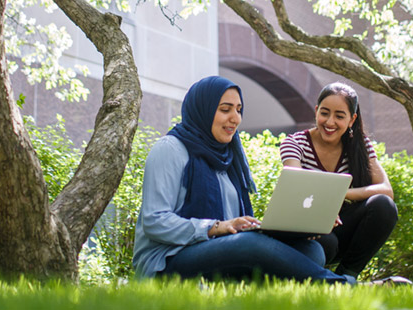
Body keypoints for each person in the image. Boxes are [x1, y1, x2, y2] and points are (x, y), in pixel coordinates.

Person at [132, 76, 356, 285]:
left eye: (238, 110)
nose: (235, 118)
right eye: (225, 110)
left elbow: (232, 226)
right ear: (203, 109)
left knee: (312, 251)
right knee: (248, 245)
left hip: (216, 249)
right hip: (167, 259)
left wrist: (292, 228)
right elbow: (155, 221)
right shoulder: (170, 149)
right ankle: (336, 284)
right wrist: (216, 228)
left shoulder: (228, 157)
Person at [280, 82, 398, 280]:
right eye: (325, 113)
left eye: (339, 116)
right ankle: (318, 279)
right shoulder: (294, 143)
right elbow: (296, 185)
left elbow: (386, 190)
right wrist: (322, 208)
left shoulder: (360, 146)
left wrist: (341, 193)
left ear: (352, 120)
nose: (330, 122)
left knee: (384, 206)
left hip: (342, 223)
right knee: (327, 243)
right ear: (316, 111)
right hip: (306, 225)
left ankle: (346, 276)